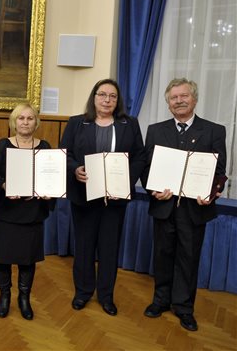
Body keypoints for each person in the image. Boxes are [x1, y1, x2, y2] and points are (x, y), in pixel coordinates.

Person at [141, 78, 226, 332]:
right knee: (163, 255)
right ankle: (160, 301)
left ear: (194, 99)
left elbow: (218, 172)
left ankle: (184, 308)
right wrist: (153, 189)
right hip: (163, 206)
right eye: (173, 98)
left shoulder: (214, 130)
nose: (179, 101)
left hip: (195, 208)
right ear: (168, 103)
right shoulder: (155, 130)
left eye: (184, 96)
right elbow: (146, 168)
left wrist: (211, 193)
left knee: (188, 259)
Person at [60, 79, 146, 316]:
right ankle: (83, 292)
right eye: (102, 95)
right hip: (84, 196)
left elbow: (140, 156)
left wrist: (127, 178)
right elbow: (64, 153)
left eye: (113, 96)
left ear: (117, 101)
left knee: (109, 248)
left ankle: (106, 296)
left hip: (115, 198)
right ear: (94, 97)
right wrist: (75, 168)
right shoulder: (77, 123)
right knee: (85, 246)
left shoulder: (130, 124)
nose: (107, 100)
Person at [0, 103, 55, 320]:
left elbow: (51, 176)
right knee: (3, 258)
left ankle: (24, 297)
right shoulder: (3, 145)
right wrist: (4, 185)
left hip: (32, 212)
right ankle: (4, 295)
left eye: (30, 118)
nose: (25, 122)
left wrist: (49, 191)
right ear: (14, 122)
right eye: (21, 118)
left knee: (28, 259)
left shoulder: (44, 147)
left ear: (36, 122)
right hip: (6, 212)